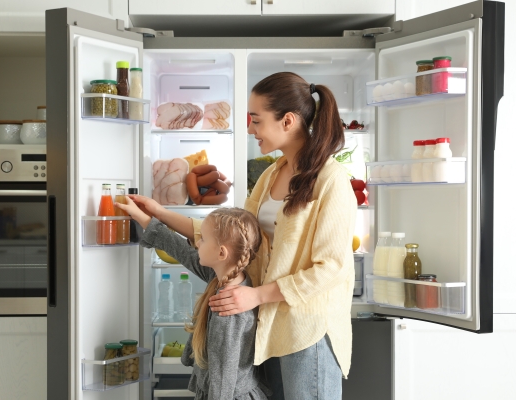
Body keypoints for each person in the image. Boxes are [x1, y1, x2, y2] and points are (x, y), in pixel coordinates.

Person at [129, 71, 356, 399]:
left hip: (306, 333)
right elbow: (233, 240)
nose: (249, 129)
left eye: (256, 120)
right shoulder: (270, 175)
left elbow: (330, 269)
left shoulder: (332, 181)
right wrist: (160, 213)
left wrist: (257, 296)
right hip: (268, 327)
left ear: (288, 121)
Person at [115, 200, 270, 400]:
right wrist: (143, 216)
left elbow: (223, 376)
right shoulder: (225, 279)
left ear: (221, 253)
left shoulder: (226, 307)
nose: (197, 243)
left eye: (203, 240)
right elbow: (180, 249)